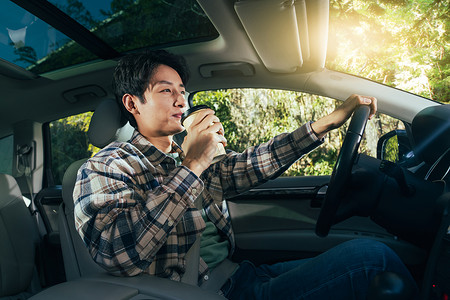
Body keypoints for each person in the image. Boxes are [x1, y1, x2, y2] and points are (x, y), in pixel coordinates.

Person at [73, 50, 417, 299]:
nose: (181, 101)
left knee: (370, 255)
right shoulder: (106, 167)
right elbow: (116, 253)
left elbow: (254, 164)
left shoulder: (182, 153)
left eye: (182, 91)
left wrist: (326, 122)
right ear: (132, 104)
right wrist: (193, 165)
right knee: (371, 261)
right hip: (196, 293)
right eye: (166, 91)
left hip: (238, 275)